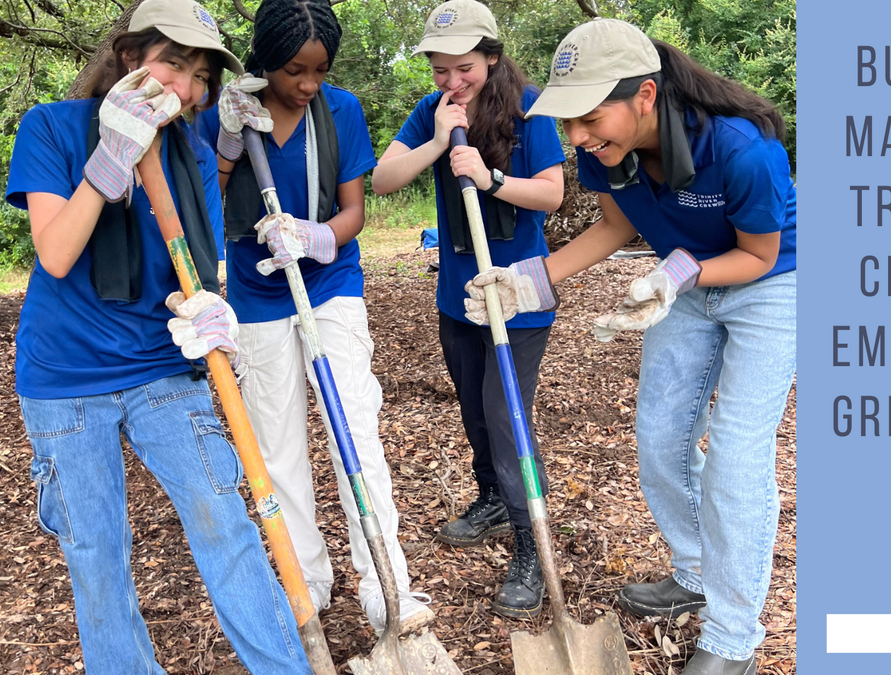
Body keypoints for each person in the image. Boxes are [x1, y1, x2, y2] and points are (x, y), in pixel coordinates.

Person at [468, 18, 796, 675]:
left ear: (644, 96)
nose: (577, 138)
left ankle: (734, 641)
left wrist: (680, 271)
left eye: (588, 119)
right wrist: (529, 282)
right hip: (681, 281)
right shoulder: (602, 151)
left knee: (736, 453)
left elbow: (759, 255)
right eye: (568, 125)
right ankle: (696, 571)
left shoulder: (739, 148)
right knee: (660, 438)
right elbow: (616, 225)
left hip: (771, 282)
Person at [5, 1, 314, 673]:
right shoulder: (52, 128)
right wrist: (108, 161)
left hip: (159, 369)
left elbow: (192, 276)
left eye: (198, 74)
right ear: (126, 58)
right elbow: (56, 254)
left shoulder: (192, 151)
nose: (184, 88)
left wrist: (208, 309)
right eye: (172, 63)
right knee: (96, 556)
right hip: (66, 380)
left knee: (225, 524)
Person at [196, 0, 433, 634]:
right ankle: (306, 579)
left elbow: (355, 212)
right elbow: (205, 203)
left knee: (354, 428)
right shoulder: (230, 110)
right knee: (276, 445)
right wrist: (223, 143)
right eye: (294, 71)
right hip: (255, 292)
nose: (307, 85)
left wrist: (316, 237)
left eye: (320, 71)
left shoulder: (341, 111)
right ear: (265, 61)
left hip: (329, 285)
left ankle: (388, 587)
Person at [371, 0, 565, 618]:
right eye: (440, 72)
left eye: (464, 69)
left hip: (518, 299)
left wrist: (491, 178)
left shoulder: (530, 111)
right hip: (458, 297)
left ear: (492, 57)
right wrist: (436, 142)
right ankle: (490, 498)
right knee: (475, 414)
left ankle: (531, 543)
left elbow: (554, 196)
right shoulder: (431, 113)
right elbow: (384, 180)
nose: (452, 83)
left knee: (506, 419)